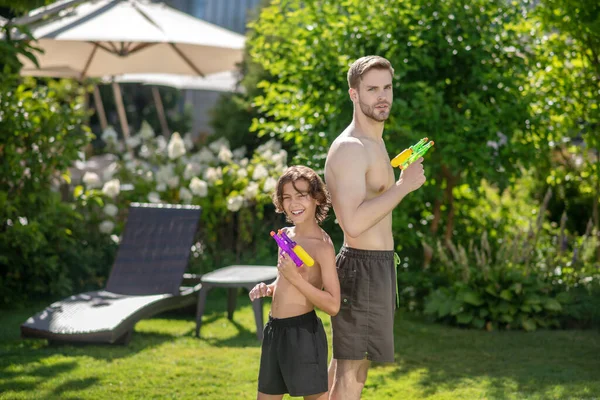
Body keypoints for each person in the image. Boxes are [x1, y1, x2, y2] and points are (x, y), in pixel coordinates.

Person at [324, 55, 427, 399]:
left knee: (344, 367)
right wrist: (403, 187)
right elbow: (351, 223)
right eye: (372, 89)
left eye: (387, 87)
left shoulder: (376, 142)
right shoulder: (351, 148)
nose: (382, 96)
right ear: (354, 94)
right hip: (362, 267)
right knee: (352, 374)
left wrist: (399, 182)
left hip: (376, 267)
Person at [249, 165, 341, 400]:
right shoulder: (286, 235)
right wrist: (269, 288)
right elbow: (284, 278)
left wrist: (295, 279)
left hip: (303, 334)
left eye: (301, 195)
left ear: (317, 198)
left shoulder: (322, 246)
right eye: (287, 197)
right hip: (274, 331)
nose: (293, 203)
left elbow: (333, 305)